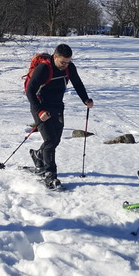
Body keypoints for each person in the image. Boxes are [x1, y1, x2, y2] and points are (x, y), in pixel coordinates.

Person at [25, 44, 93, 189]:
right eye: (63, 62)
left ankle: (38, 155)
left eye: (68, 62)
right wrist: (39, 111)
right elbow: (30, 91)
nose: (65, 65)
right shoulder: (43, 69)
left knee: (55, 139)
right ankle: (50, 174)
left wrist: (85, 99)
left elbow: (78, 84)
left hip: (57, 106)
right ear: (55, 57)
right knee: (50, 140)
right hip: (40, 105)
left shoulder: (70, 67)